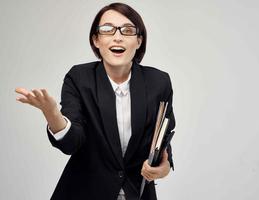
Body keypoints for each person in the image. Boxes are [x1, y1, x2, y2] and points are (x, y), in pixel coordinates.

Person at [15, 2, 175, 200]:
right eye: (107, 30)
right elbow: (72, 143)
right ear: (96, 40)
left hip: (138, 194)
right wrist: (53, 114)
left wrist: (164, 167)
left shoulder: (159, 82)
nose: (117, 36)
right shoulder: (79, 78)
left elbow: (162, 141)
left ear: (139, 40)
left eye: (127, 30)